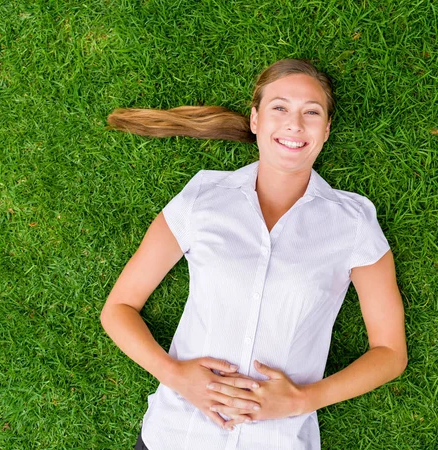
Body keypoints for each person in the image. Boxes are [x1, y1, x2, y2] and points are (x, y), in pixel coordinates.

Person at [101, 59, 407, 450]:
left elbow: (390, 353)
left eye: (311, 112)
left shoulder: (353, 223)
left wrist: (302, 399)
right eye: (279, 107)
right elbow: (119, 307)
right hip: (176, 435)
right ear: (256, 120)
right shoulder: (204, 197)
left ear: (326, 130)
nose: (295, 124)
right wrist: (176, 376)